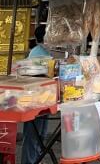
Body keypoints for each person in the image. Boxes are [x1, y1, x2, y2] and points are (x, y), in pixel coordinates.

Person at [22, 25, 50, 164]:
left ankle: (35, 160)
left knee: (40, 134)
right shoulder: (40, 53)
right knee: (34, 135)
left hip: (42, 99)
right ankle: (29, 161)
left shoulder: (39, 51)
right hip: (35, 99)